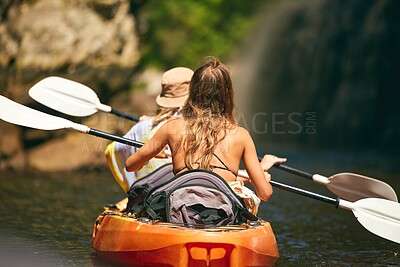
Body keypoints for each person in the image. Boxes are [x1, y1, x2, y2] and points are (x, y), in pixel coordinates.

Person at [125, 57, 286, 215]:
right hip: (222, 216)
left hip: (180, 212)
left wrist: (153, 152)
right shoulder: (241, 135)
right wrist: (264, 178)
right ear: (228, 94)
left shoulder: (171, 127)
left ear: (192, 92)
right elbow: (265, 194)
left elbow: (131, 165)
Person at [105, 67, 194, 194]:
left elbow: (114, 149)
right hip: (188, 189)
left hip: (152, 191)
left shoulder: (144, 126)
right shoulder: (202, 125)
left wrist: (142, 129)